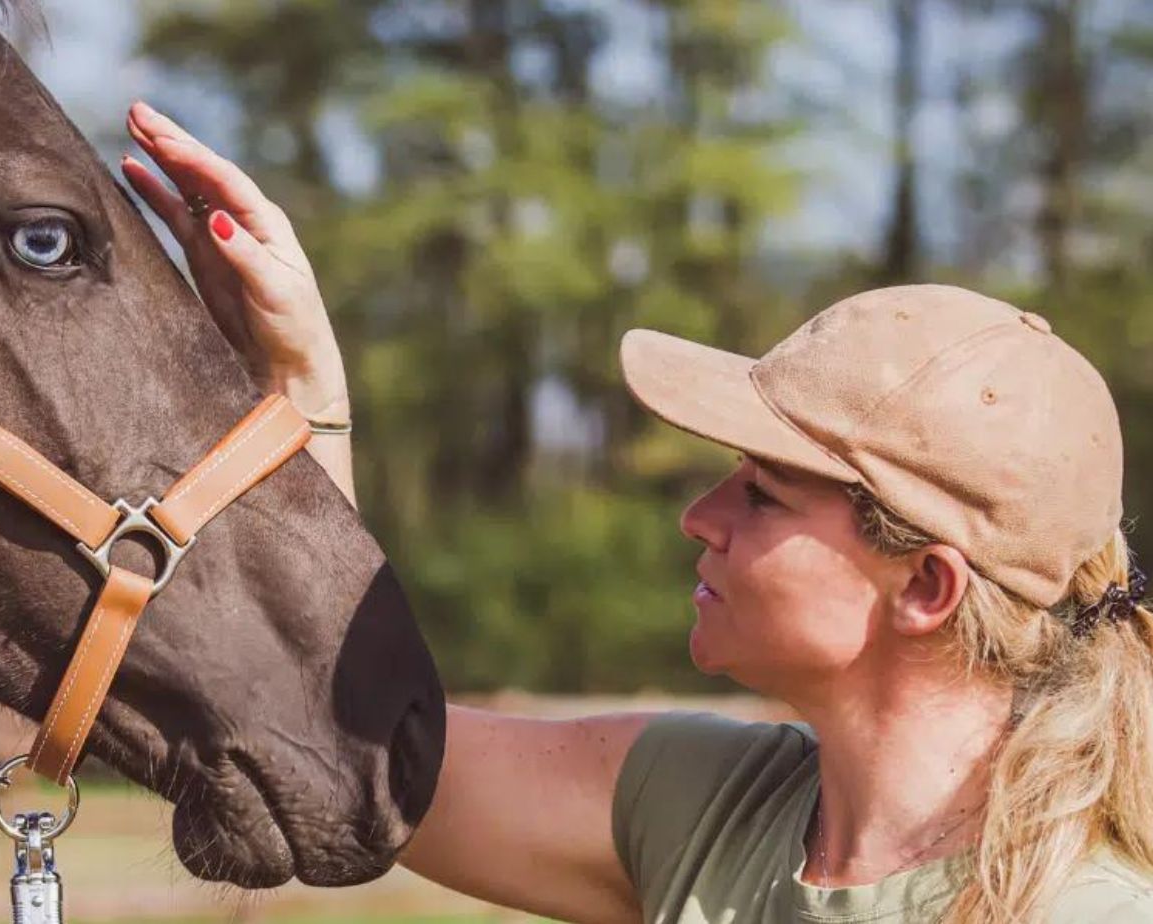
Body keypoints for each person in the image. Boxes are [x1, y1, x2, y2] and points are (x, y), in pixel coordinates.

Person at [118, 100, 1153, 923]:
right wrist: (307, 398)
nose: (698, 517)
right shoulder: (704, 805)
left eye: (761, 493)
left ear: (925, 586)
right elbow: (365, 747)